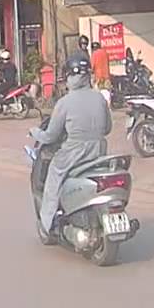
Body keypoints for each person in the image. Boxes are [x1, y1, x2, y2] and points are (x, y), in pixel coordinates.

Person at [29, 51, 111, 233]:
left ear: (70, 76)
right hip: (99, 152)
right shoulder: (99, 97)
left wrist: (35, 132)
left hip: (74, 153)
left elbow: (50, 136)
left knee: (54, 173)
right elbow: (107, 128)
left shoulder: (64, 103)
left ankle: (47, 223)